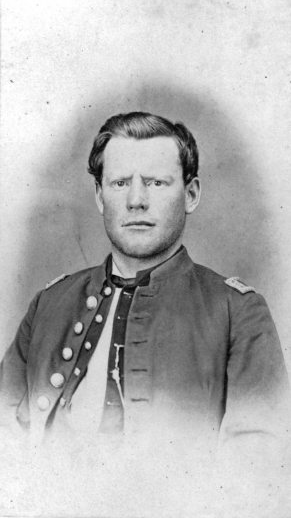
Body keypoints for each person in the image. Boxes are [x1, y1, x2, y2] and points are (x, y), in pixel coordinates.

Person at [0, 112, 290, 516]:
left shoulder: (238, 311)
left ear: (191, 194)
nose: (136, 200)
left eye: (156, 182)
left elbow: (255, 475)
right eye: (120, 183)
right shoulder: (49, 304)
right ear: (100, 195)